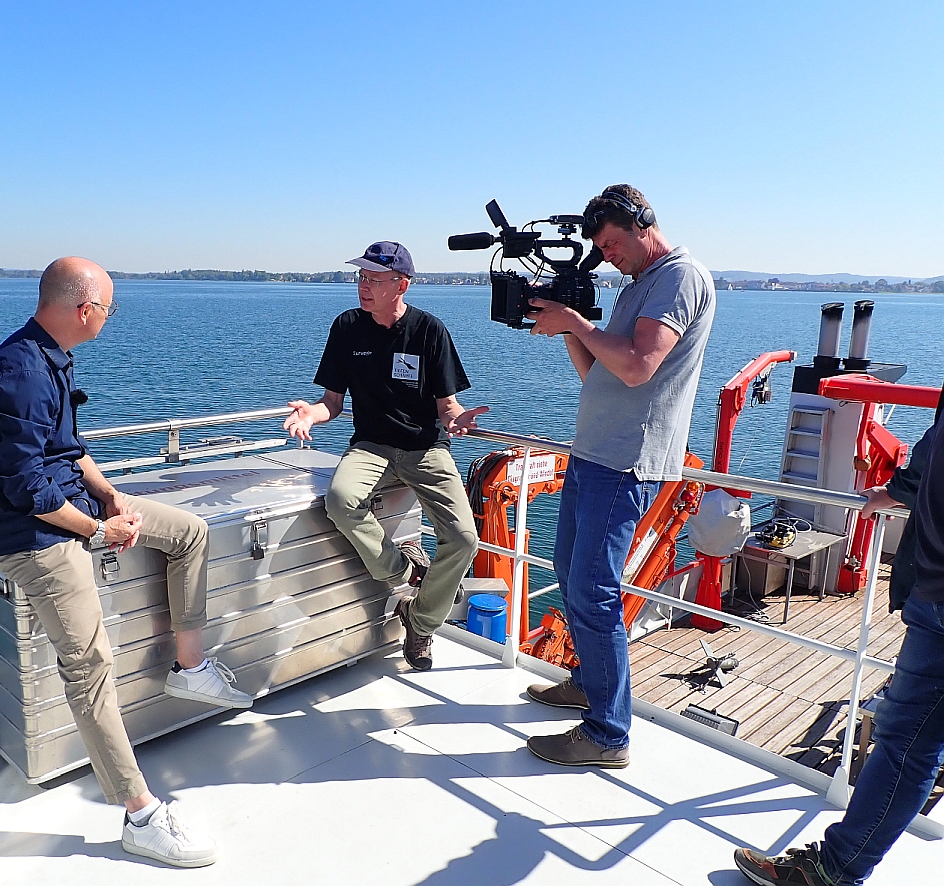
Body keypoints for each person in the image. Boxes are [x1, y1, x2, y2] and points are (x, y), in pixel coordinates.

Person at [0, 256, 252, 868]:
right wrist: (98, 528)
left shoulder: (50, 359)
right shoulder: (21, 374)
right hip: (29, 536)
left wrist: (112, 494)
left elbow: (68, 451)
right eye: (109, 308)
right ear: (84, 308)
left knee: (189, 530)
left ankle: (189, 667)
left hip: (72, 505)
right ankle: (140, 813)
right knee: (89, 665)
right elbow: (25, 490)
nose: (110, 318)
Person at [523, 185, 715, 768]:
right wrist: (567, 334)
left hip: (627, 460)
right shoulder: (638, 286)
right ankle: (587, 680)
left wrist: (577, 320)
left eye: (612, 243)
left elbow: (637, 368)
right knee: (569, 573)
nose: (608, 256)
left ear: (641, 224)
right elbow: (600, 375)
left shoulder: (679, 278)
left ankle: (608, 734)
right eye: (602, 249)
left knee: (594, 589)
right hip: (594, 452)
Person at [732, 407, 944, 886]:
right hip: (932, 590)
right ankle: (834, 868)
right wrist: (901, 488)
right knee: (905, 742)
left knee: (906, 744)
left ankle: (832, 871)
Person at [283, 241, 487, 671]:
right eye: (361, 277)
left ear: (402, 285)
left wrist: (458, 418)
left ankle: (420, 621)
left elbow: (446, 407)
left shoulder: (429, 330)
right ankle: (401, 572)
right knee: (340, 501)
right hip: (371, 444)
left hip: (425, 446)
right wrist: (311, 414)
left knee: (465, 539)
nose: (364, 286)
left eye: (374, 279)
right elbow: (332, 403)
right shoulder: (346, 327)